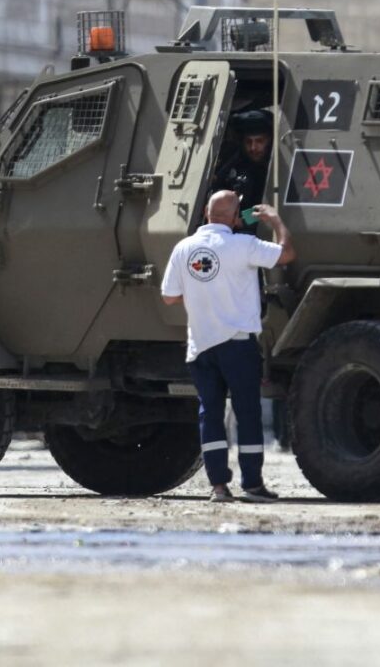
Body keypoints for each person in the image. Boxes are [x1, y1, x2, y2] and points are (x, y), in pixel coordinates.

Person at [161, 189, 295, 503]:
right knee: (247, 413)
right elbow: (286, 253)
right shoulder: (243, 245)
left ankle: (218, 487)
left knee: (210, 414)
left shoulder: (184, 248)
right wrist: (275, 219)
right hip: (237, 346)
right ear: (236, 219)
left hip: (201, 346)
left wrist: (202, 296)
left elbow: (168, 296)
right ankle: (252, 485)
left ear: (206, 214)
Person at [214, 109, 272, 211]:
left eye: (259, 141)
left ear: (269, 141)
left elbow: (271, 208)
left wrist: (244, 220)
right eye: (248, 142)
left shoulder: (276, 170)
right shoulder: (233, 166)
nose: (253, 147)